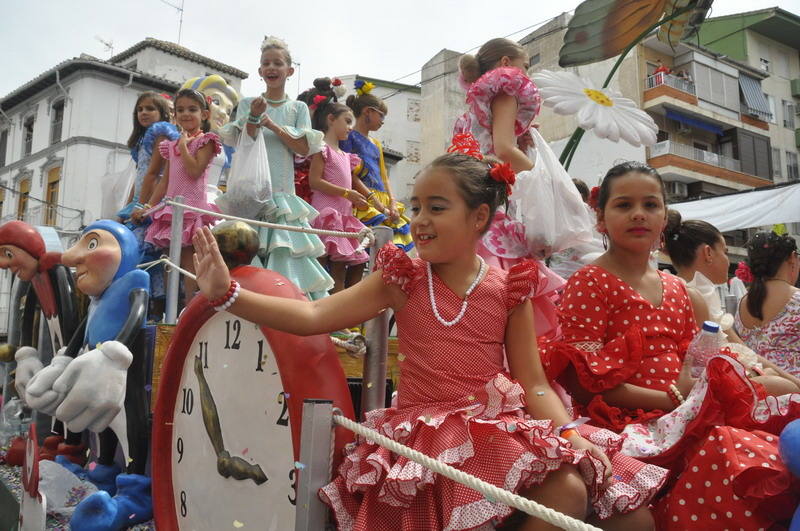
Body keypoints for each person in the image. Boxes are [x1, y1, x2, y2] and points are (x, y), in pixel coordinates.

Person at [193, 151, 665, 530]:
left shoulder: (509, 287)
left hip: (498, 430)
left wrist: (570, 434)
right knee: (566, 494)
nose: (419, 220)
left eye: (436, 208)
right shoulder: (402, 277)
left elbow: (534, 383)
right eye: (415, 207)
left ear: (480, 216)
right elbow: (314, 314)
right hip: (424, 437)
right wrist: (229, 295)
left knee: (631, 515)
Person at [541, 161, 800, 529]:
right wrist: (673, 400)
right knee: (733, 451)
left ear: (664, 218)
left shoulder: (680, 289)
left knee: (776, 400)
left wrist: (698, 393)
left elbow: (707, 355)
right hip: (626, 426)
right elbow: (582, 382)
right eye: (623, 205)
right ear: (600, 218)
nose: (638, 214)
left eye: (650, 205)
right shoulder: (589, 284)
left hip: (688, 410)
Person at [454, 37, 565, 338]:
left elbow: (490, 146)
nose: (526, 74)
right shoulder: (506, 90)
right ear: (506, 64)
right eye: (525, 66)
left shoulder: (475, 107)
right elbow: (503, 148)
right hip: (495, 200)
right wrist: (542, 178)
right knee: (505, 295)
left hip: (468, 200)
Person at [220, 36, 333, 300]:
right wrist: (254, 118)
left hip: (282, 193)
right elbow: (243, 140)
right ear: (260, 71)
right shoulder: (248, 103)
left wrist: (270, 124)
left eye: (277, 63)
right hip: (251, 192)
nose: (271, 68)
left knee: (284, 254)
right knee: (247, 253)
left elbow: (303, 149)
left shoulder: (298, 107)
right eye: (266, 63)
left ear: (289, 71)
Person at [144, 88, 222, 298]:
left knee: (190, 261)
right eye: (180, 110)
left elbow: (195, 171)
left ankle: (188, 307)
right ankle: (169, 316)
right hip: (170, 209)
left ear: (204, 114)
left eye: (192, 109)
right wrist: (150, 206)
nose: (186, 114)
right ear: (174, 115)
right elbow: (165, 181)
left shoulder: (206, 141)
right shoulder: (170, 146)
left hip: (191, 207)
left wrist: (184, 148)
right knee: (170, 261)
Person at [120, 92, 178, 319]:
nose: (143, 113)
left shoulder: (161, 133)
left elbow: (155, 175)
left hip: (154, 203)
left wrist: (144, 206)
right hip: (141, 202)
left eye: (149, 109)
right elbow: (140, 177)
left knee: (145, 254)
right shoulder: (144, 138)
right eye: (140, 109)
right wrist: (125, 209)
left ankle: (152, 315)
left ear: (163, 113)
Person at [306, 95, 370, 293]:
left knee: (339, 273)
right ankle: (314, 311)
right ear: (331, 119)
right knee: (317, 270)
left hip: (343, 217)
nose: (350, 127)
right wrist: (346, 193)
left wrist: (355, 198)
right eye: (347, 121)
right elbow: (314, 181)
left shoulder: (346, 156)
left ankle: (337, 320)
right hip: (325, 216)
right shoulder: (322, 148)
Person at [340, 81, 414, 251]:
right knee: (362, 250)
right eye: (381, 115)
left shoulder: (376, 144)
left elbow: (384, 176)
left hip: (382, 200)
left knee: (387, 250)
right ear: (368, 111)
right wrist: (373, 201)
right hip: (361, 199)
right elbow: (349, 174)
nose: (382, 121)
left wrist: (393, 203)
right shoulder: (348, 136)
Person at [735, 231, 800, 378]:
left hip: (758, 391)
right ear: (792, 257)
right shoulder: (796, 299)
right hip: (793, 390)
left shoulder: (743, 302)